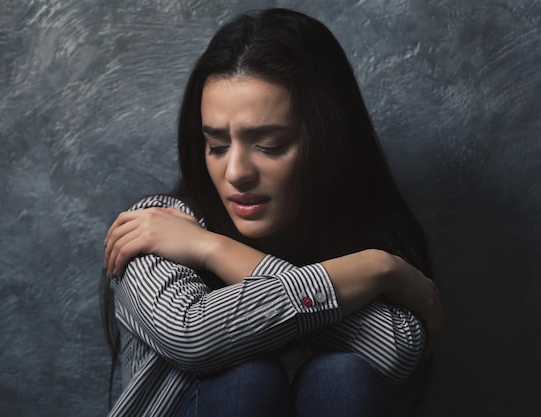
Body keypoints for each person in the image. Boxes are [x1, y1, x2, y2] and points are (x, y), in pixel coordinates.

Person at [101, 8, 442, 417]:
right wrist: (375, 271)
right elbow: (192, 335)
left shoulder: (359, 239)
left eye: (269, 145)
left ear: (327, 143)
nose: (236, 173)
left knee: (341, 378)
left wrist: (215, 250)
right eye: (217, 146)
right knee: (248, 378)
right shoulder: (157, 226)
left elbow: (394, 351)